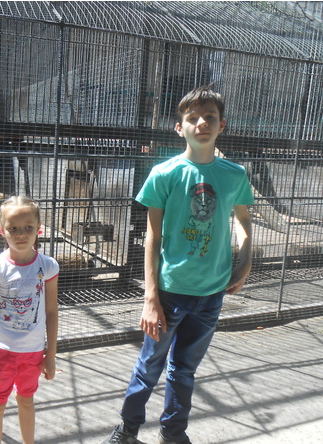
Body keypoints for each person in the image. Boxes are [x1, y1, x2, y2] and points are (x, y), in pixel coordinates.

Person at [103, 85, 254, 444]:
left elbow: (244, 221)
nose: (202, 123)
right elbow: (152, 238)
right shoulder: (165, 173)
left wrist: (245, 262)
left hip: (212, 294)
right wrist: (150, 298)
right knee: (149, 367)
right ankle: (127, 430)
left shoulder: (234, 174)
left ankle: (173, 433)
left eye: (210, 117)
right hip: (169, 293)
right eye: (193, 117)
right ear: (179, 127)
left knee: (184, 370)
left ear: (222, 125)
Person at [0, 195, 59, 444]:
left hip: (33, 353)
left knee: (26, 401)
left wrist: (50, 355)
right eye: (13, 228)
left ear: (39, 229)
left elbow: (51, 312)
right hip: (1, 352)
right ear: (1, 230)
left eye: (28, 227)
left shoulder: (48, 266)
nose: (21, 234)